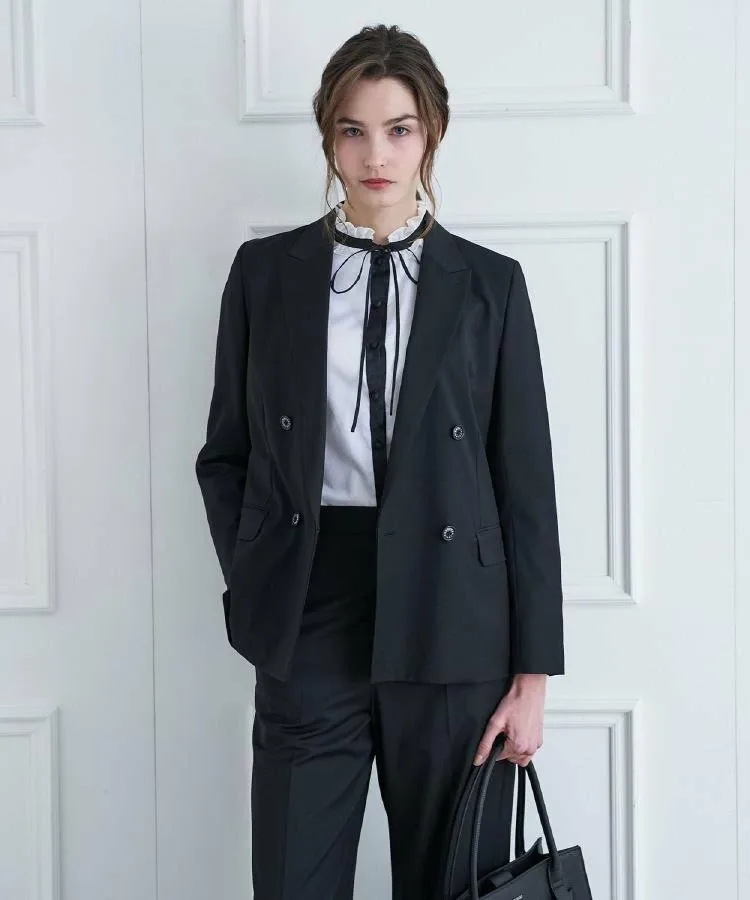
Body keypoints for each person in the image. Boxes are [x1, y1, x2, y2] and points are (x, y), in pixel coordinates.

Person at [195, 23, 565, 900]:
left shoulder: (490, 285)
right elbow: (226, 454)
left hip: (454, 616)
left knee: (452, 884)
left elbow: (525, 485)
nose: (376, 155)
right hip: (310, 602)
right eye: (353, 130)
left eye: (399, 129)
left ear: (431, 133)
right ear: (329, 137)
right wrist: (260, 576)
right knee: (294, 878)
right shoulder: (265, 274)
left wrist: (532, 677)